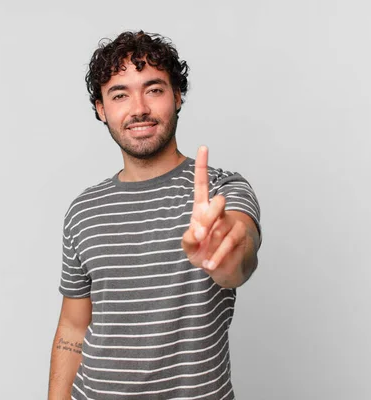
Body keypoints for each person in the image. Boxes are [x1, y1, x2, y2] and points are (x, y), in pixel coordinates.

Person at [48, 30, 262, 400]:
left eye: (154, 89)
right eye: (119, 94)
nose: (139, 108)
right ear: (101, 109)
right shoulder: (83, 210)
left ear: (177, 97)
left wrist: (221, 250)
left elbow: (238, 263)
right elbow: (72, 326)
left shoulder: (221, 193)